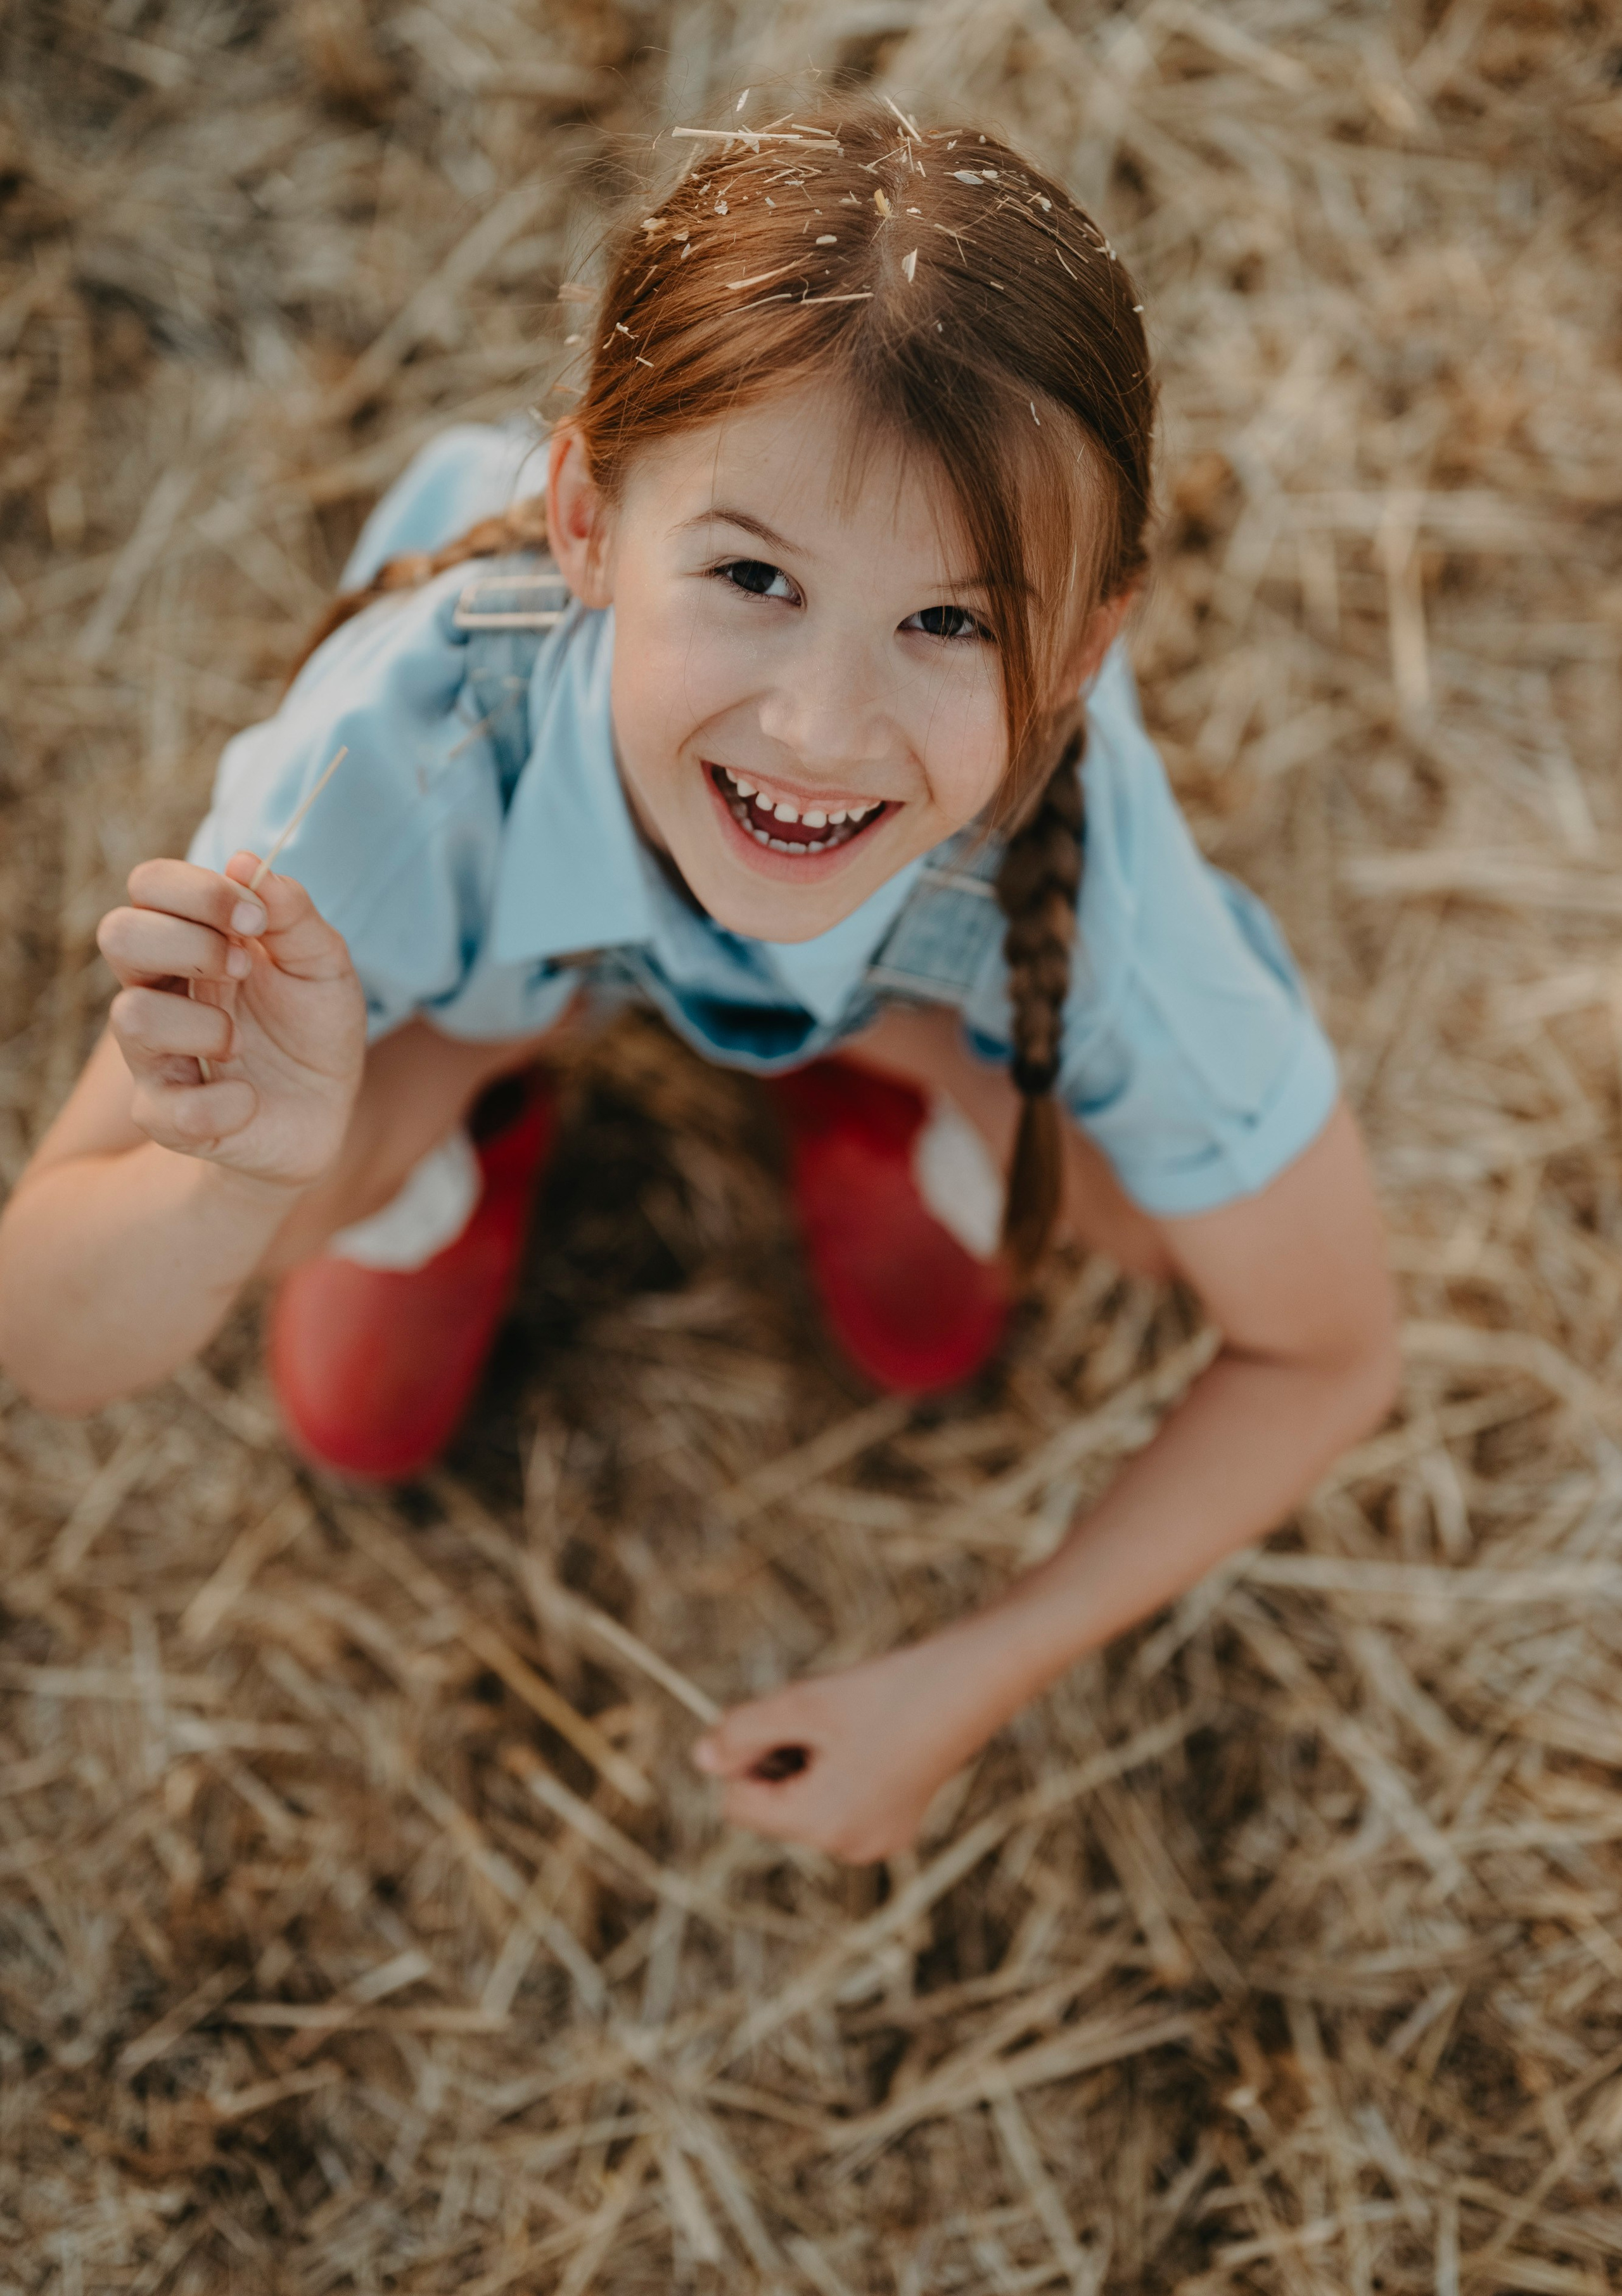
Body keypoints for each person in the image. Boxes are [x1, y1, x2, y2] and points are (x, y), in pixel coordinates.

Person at [0, 103, 1398, 1863]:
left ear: (1083, 644)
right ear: (585, 519)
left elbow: (1327, 1347)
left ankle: (871, 1070)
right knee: (354, 1409)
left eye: (953, 621)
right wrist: (243, 1172)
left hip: (908, 983)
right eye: (752, 577)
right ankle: (458, 1119)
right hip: (480, 985)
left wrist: (965, 1680)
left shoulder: (1096, 882)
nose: (821, 727)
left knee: (1064, 1248)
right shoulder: (391, 771)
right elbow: (47, 1329)